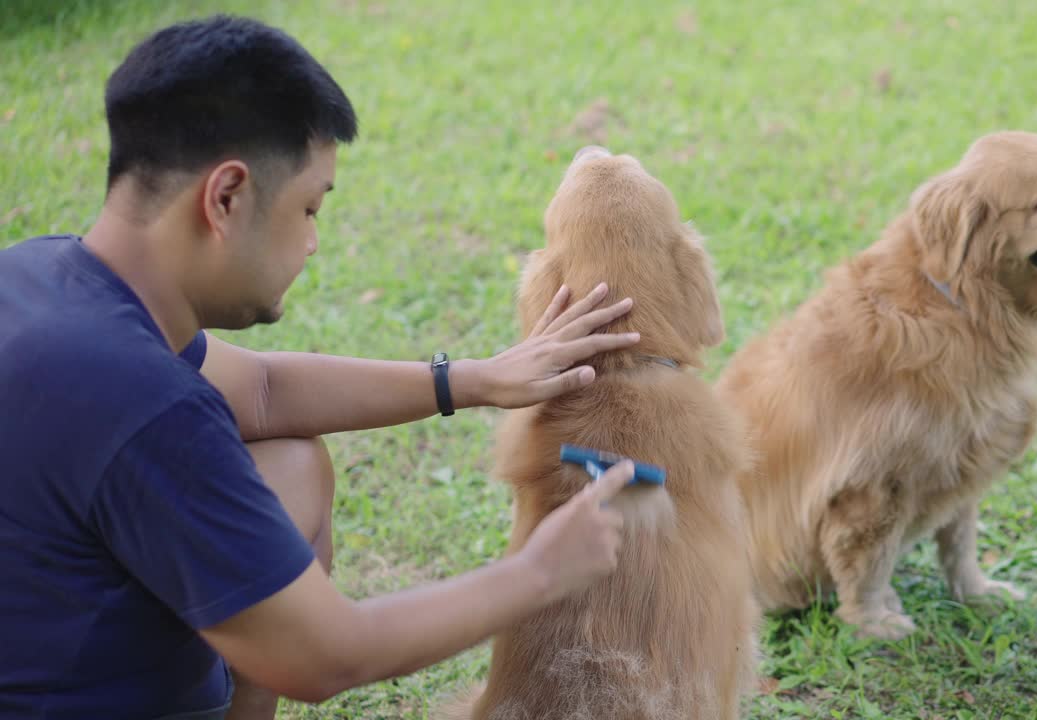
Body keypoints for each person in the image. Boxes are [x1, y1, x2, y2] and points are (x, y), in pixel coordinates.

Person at [0, 14, 642, 720]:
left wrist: (473, 380)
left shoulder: (42, 278)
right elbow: (330, 657)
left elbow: (268, 390)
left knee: (294, 466)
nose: (312, 243)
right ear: (226, 198)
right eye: (309, 208)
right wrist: (538, 571)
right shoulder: (147, 408)